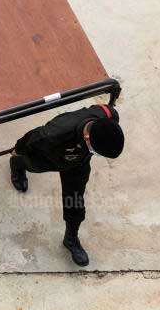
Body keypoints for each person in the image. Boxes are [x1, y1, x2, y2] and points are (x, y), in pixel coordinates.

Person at [9, 104, 125, 266]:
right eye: (97, 152)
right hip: (51, 157)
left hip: (77, 166)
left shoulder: (108, 115)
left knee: (75, 203)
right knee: (28, 163)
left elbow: (107, 110)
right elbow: (33, 138)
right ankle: (16, 165)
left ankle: (71, 239)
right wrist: (18, 150)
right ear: (87, 138)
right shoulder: (56, 133)